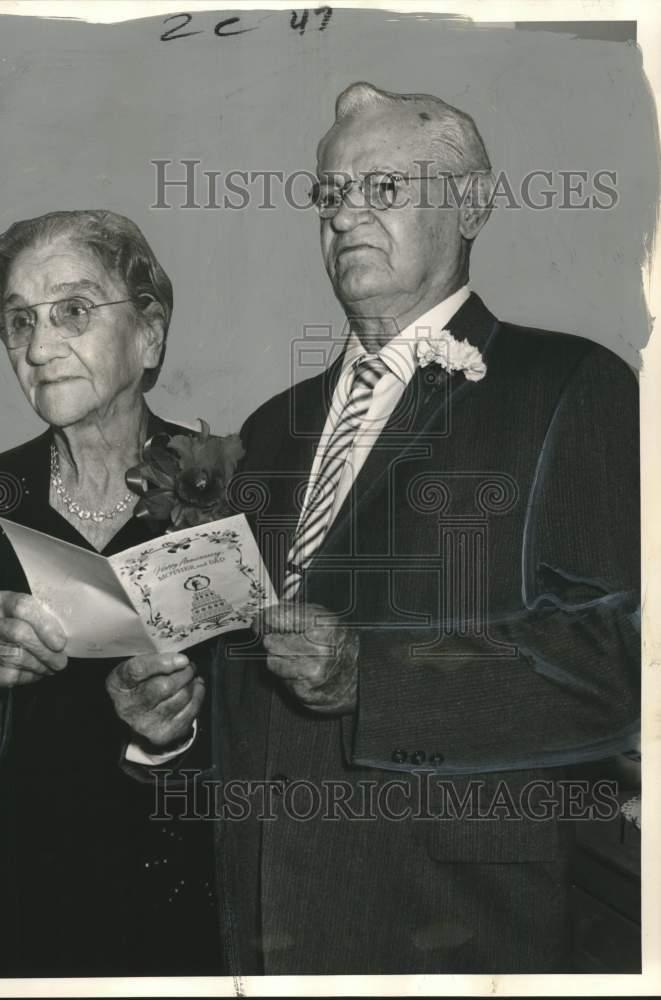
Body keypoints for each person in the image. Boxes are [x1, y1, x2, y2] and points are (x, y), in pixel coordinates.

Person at [130, 83, 641, 973]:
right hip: (261, 927)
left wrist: (373, 676)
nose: (345, 217)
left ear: (472, 203)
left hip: (461, 930)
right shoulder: (270, 428)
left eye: (385, 190)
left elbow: (612, 672)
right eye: (329, 196)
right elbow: (247, 683)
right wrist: (167, 727)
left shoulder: (568, 386)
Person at [0, 209, 222, 978]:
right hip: (2, 910)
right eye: (19, 322)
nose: (40, 348)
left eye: (73, 312)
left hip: (174, 911)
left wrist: (168, 734)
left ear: (149, 333)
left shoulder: (226, 493)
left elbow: (272, 748)